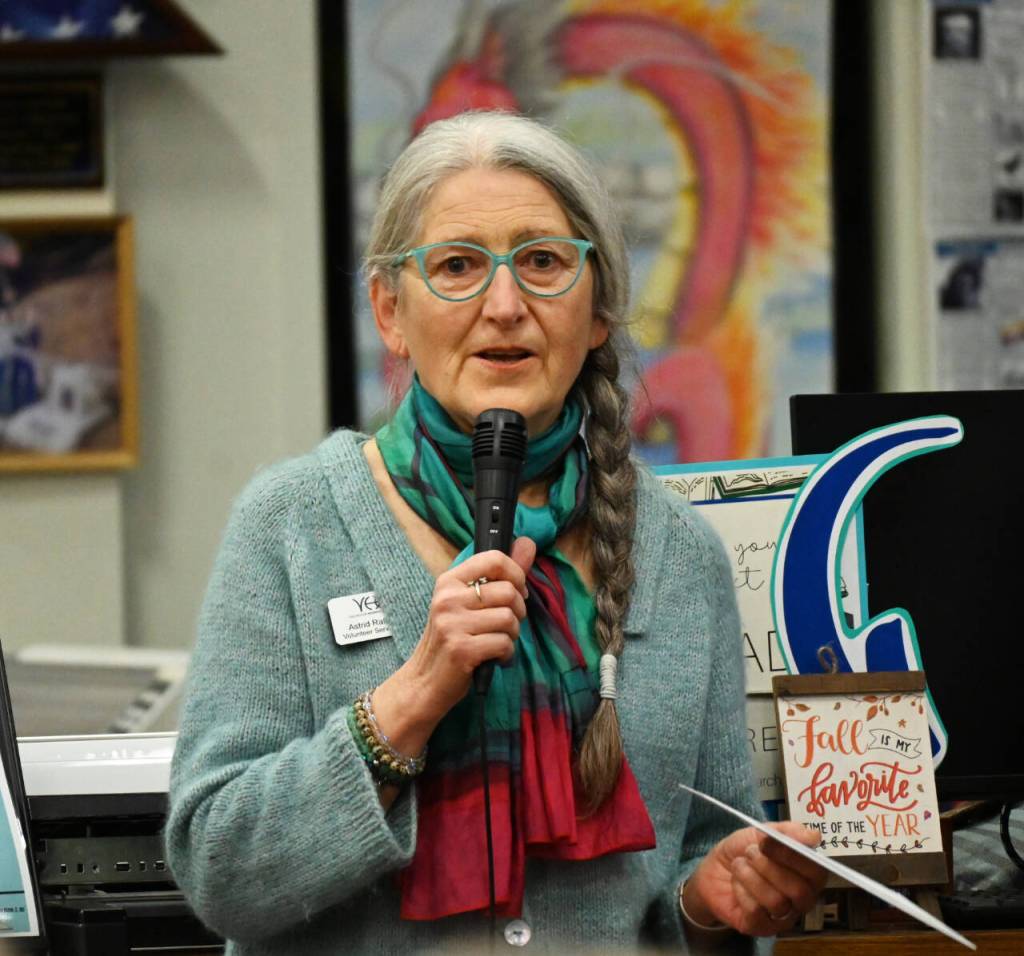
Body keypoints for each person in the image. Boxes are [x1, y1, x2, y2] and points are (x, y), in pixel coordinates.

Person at [166, 110, 826, 954]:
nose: (505, 305)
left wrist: (711, 902)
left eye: (543, 262)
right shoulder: (290, 525)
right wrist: (408, 703)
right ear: (390, 312)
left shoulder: (678, 551)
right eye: (458, 266)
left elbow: (700, 865)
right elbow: (219, 873)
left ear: (597, 312)